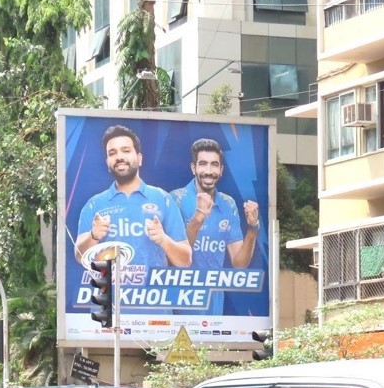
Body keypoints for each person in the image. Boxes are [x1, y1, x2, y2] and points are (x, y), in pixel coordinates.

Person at [75, 124, 191, 270]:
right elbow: (79, 256)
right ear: (107, 163)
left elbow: (185, 260)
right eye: (112, 153)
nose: (119, 157)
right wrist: (93, 236)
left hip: (153, 292)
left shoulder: (163, 199)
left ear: (139, 158)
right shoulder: (94, 204)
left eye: (126, 150)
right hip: (110, 291)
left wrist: (163, 239)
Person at [170, 138, 261, 315]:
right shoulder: (176, 199)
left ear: (221, 170)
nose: (209, 171)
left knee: (212, 344)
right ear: (193, 168)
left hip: (214, 301)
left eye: (214, 165)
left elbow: (239, 264)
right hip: (182, 297)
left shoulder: (228, 204)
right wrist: (199, 217)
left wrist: (252, 228)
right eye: (203, 164)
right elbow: (176, 257)